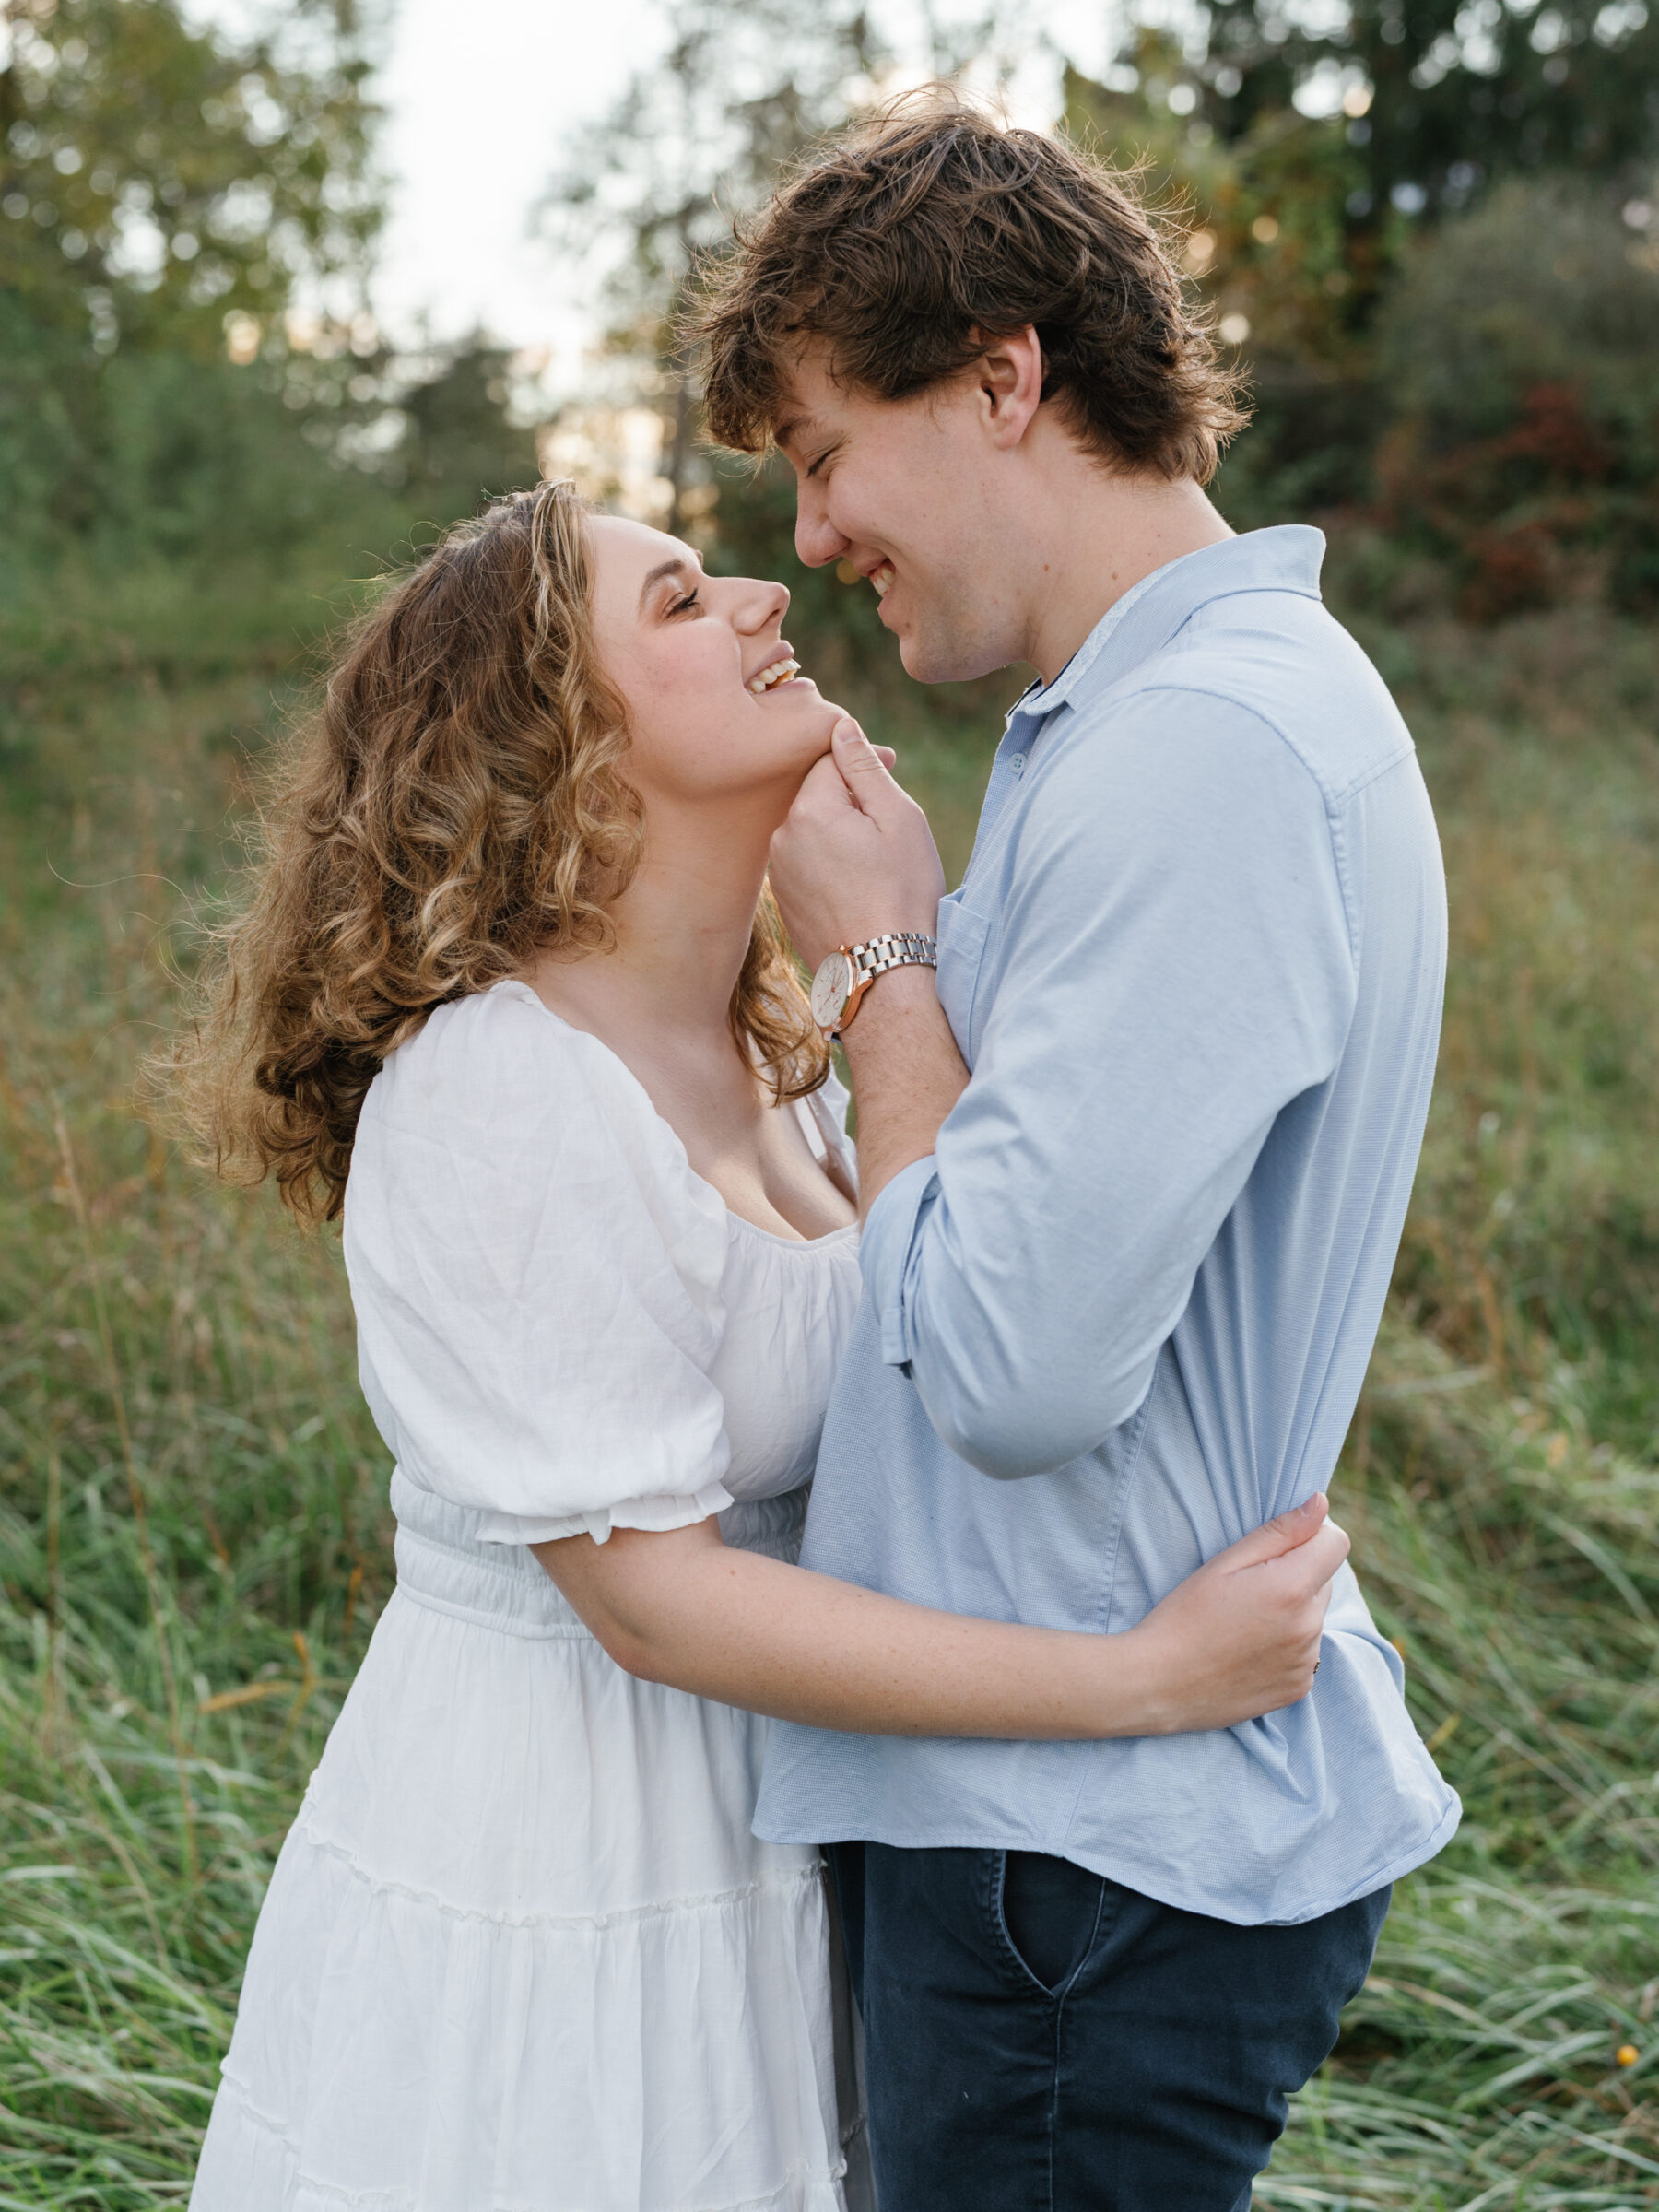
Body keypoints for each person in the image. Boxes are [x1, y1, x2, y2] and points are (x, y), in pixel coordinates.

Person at [169, 480, 1349, 2212]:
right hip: (578, 1843)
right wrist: (1138, 1682)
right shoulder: (501, 1084)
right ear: (557, 742)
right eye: (675, 600)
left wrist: (886, 968)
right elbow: (650, 1606)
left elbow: (981, 1309)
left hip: (790, 1796)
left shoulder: (776, 1046)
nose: (762, 593)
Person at [694, 95, 1463, 2210]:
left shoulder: (1202, 748)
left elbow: (1013, 1368)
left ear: (1004, 376)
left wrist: (886, 972)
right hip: (1056, 1827)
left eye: (827, 453)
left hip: (1075, 1872)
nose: (814, 535)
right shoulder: (1136, 723)